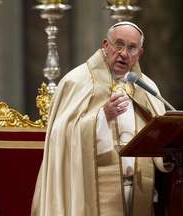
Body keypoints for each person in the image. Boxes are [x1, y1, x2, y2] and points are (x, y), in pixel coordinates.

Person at [31, 21, 173, 216]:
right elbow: (60, 136)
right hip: (92, 190)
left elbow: (163, 136)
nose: (123, 53)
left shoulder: (147, 88)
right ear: (106, 46)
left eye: (131, 48)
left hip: (141, 188)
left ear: (139, 54)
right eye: (119, 45)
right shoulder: (77, 81)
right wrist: (102, 117)